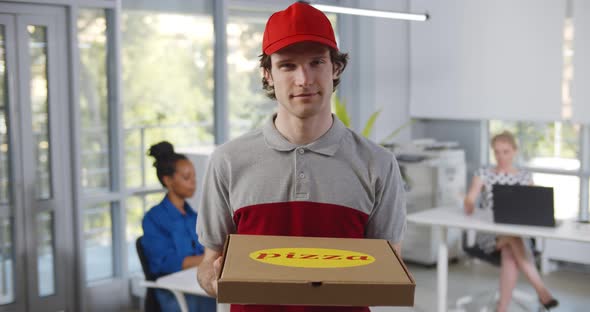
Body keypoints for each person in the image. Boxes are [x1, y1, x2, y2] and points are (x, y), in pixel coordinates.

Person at [196, 2, 406, 312]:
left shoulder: (378, 164)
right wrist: (212, 280)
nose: (304, 78)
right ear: (267, 74)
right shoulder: (227, 161)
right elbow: (208, 263)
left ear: (335, 67)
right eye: (287, 65)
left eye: (316, 62)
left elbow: (389, 265)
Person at [464, 131, 558, 312]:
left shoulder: (524, 176)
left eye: (505, 151)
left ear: (514, 151)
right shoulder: (483, 173)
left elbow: (534, 206)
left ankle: (502, 309)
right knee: (512, 242)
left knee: (510, 249)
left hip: (518, 232)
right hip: (490, 233)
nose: (501, 157)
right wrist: (468, 202)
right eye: (497, 152)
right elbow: (470, 201)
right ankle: (541, 290)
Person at [142, 141, 216, 312]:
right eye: (186, 177)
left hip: (196, 284)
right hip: (175, 292)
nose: (193, 183)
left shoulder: (194, 216)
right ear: (168, 180)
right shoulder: (153, 219)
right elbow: (167, 263)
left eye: (194, 177)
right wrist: (209, 258)